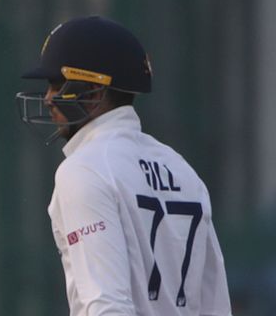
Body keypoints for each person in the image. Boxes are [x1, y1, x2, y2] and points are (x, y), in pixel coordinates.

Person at [15, 16, 232, 315]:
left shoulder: (84, 169)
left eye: (57, 84)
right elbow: (216, 305)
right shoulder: (182, 169)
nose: (50, 98)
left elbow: (107, 306)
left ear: (93, 92)